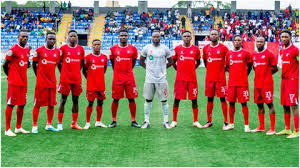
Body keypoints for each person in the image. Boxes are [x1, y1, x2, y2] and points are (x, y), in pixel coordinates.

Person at [140, 30, 173, 129]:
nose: (156, 38)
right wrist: (149, 69)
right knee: (148, 99)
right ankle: (146, 121)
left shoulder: (165, 49)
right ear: (151, 37)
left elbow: (171, 61)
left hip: (162, 79)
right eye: (154, 37)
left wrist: (163, 70)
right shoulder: (147, 48)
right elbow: (141, 61)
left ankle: (166, 121)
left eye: (157, 37)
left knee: (164, 100)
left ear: (160, 37)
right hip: (149, 79)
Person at [170, 30, 202, 128]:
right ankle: (174, 121)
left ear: (191, 38)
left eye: (188, 36)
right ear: (182, 38)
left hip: (192, 79)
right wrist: (178, 70)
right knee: (177, 99)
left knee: (194, 100)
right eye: (185, 36)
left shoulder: (195, 49)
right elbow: (172, 61)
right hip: (180, 79)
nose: (187, 38)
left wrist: (192, 69)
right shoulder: (178, 49)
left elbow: (198, 61)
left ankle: (195, 121)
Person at [108, 29, 140, 128]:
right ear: (119, 36)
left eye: (125, 35)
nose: (123, 37)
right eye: (121, 35)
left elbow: (134, 61)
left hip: (129, 78)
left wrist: (128, 71)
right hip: (117, 79)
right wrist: (118, 72)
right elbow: (112, 62)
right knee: (115, 99)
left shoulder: (133, 49)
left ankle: (133, 120)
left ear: (128, 36)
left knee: (131, 99)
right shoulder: (113, 49)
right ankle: (113, 120)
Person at [31, 32, 60, 133]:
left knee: (51, 104)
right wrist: (38, 76)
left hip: (52, 82)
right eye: (49, 39)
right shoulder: (39, 51)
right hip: (41, 83)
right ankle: (34, 125)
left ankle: (49, 124)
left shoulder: (57, 52)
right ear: (46, 39)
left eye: (53, 39)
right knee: (37, 104)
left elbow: (56, 64)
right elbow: (34, 64)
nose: (51, 40)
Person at [3, 30, 31, 136]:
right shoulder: (13, 50)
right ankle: (7, 129)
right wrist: (9, 76)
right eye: (23, 36)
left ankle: (18, 127)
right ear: (18, 37)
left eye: (26, 37)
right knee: (11, 104)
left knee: (22, 104)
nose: (25, 38)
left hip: (24, 81)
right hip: (14, 81)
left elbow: (24, 62)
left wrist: (26, 64)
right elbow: (5, 64)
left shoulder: (27, 50)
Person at [57, 30, 85, 131]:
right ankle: (60, 123)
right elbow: (58, 62)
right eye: (71, 36)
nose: (73, 38)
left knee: (75, 100)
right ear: (68, 37)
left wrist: (76, 71)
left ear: (77, 38)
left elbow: (82, 62)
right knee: (63, 100)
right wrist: (63, 72)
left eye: (75, 36)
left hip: (76, 79)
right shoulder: (63, 48)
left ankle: (74, 123)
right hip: (65, 79)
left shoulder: (81, 49)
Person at [224, 35, 252, 132]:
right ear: (233, 42)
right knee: (231, 103)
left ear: (241, 42)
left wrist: (244, 75)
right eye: (235, 40)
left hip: (242, 83)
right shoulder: (228, 54)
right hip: (231, 83)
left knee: (244, 103)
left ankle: (246, 125)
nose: (237, 42)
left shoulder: (246, 53)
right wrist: (232, 73)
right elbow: (227, 66)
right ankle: (231, 124)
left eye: (239, 40)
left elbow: (250, 66)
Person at [202, 29, 229, 130]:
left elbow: (228, 60)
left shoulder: (224, 48)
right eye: (212, 34)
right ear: (209, 36)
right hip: (209, 78)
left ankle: (226, 122)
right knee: (210, 99)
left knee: (223, 99)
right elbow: (205, 62)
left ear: (218, 36)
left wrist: (223, 69)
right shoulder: (205, 48)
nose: (213, 36)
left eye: (215, 34)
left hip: (220, 79)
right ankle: (209, 121)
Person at [250, 37, 278, 135]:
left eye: (261, 42)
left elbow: (275, 68)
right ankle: (261, 126)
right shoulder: (253, 54)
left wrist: (267, 74)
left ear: (264, 43)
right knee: (259, 105)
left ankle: (272, 128)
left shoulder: (269, 54)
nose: (259, 43)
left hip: (267, 84)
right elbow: (254, 67)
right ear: (255, 43)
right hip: (257, 83)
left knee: (270, 104)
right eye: (258, 42)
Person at [276, 30, 299, 138]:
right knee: (285, 105)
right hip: (284, 80)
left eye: (286, 37)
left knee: (293, 105)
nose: (284, 39)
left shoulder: (295, 50)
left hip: (293, 80)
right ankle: (287, 129)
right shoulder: (281, 50)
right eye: (282, 37)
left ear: (290, 38)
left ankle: (297, 130)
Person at [82, 39, 108, 129]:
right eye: (95, 44)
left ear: (101, 46)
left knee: (100, 103)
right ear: (92, 46)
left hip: (101, 85)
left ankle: (98, 121)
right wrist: (89, 78)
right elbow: (84, 70)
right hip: (91, 85)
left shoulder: (104, 57)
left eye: (98, 44)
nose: (97, 46)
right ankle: (88, 123)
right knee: (90, 103)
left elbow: (104, 69)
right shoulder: (88, 57)